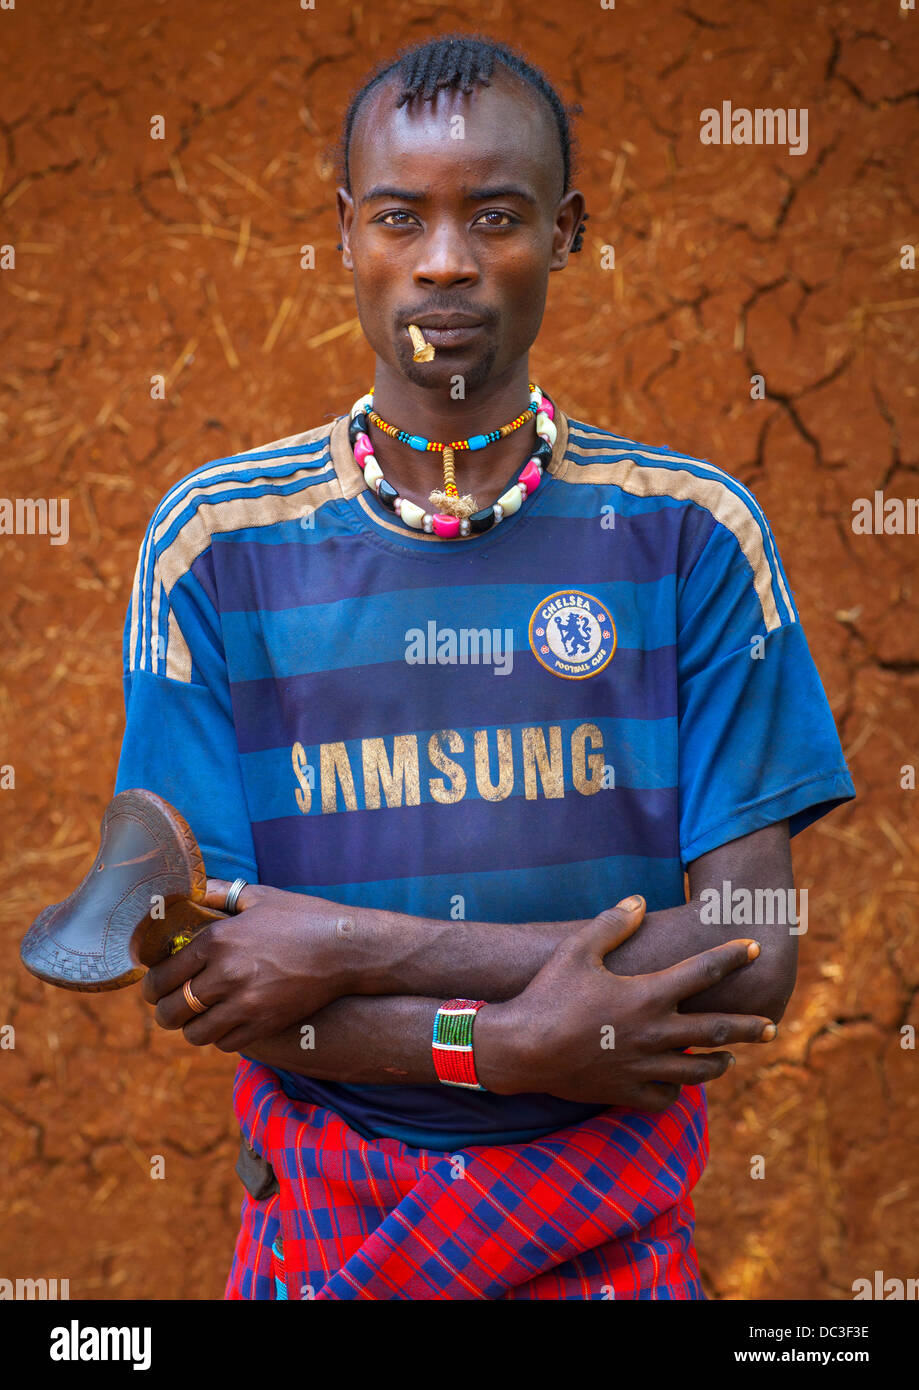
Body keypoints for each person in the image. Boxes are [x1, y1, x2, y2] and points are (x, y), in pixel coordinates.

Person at [116, 33, 856, 1299]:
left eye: (495, 216)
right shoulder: (216, 545)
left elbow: (754, 941)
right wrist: (507, 1047)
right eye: (400, 217)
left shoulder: (687, 531)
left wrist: (349, 941)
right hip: (329, 1216)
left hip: (601, 1216)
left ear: (566, 232)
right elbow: (203, 967)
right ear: (346, 232)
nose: (445, 261)